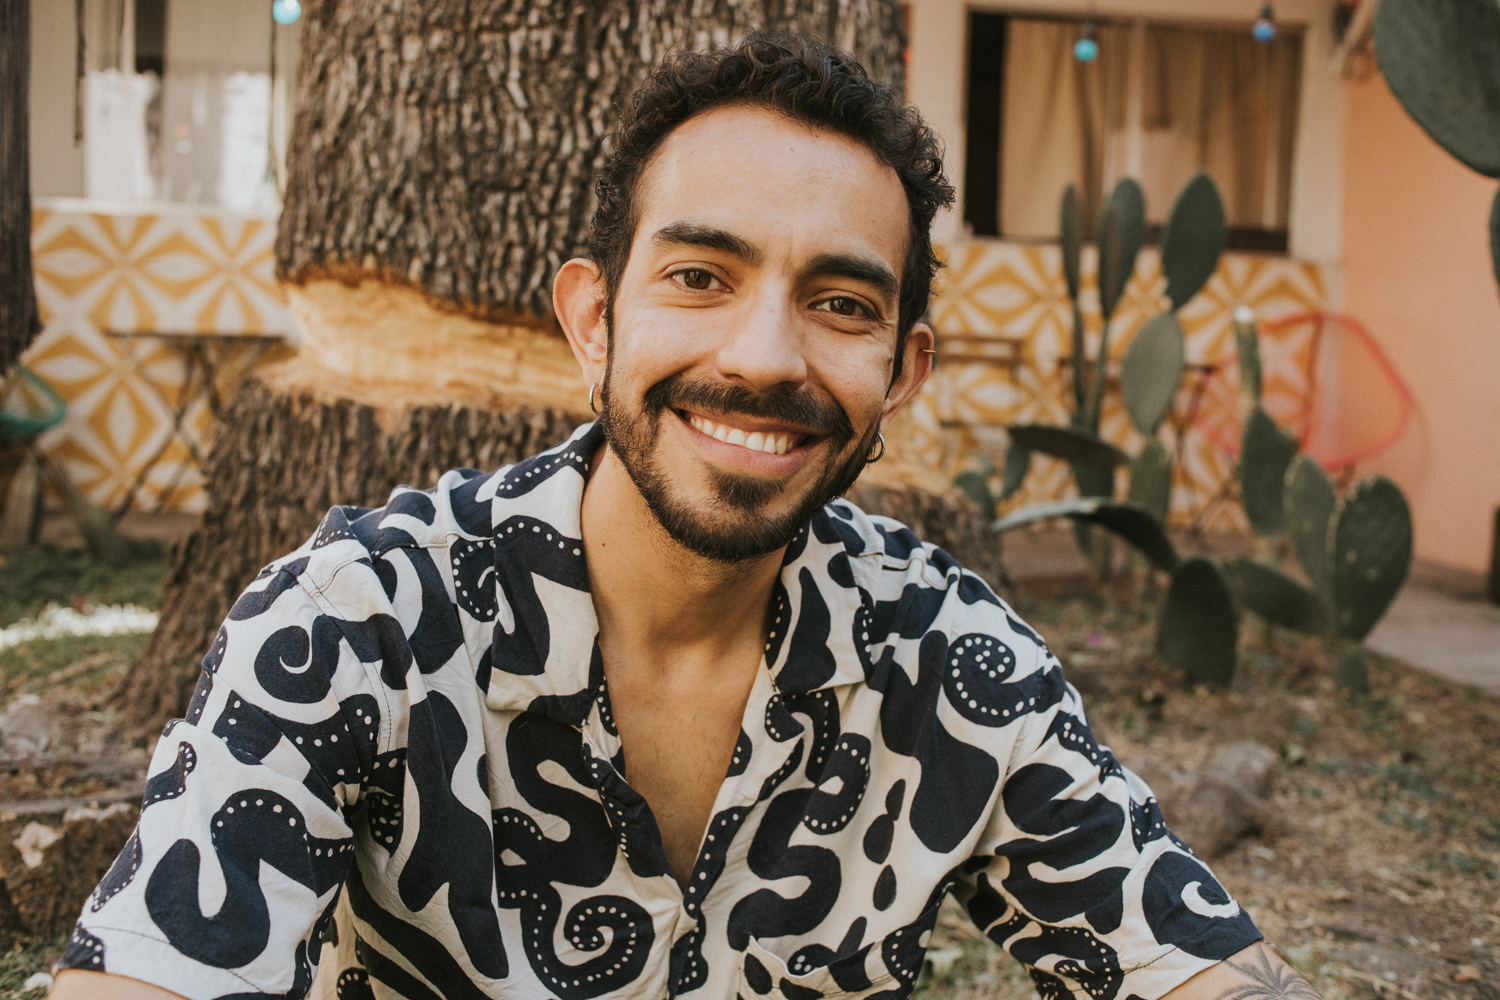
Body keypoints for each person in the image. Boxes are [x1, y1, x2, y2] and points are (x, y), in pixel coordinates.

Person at [51, 33, 1321, 1000]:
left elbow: (1178, 957)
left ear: (905, 371)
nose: (766, 356)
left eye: (841, 302)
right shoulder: (361, 622)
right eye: (701, 277)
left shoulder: (952, 662)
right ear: (594, 322)